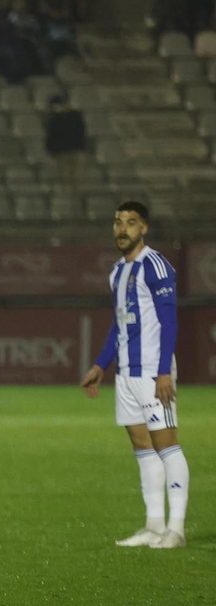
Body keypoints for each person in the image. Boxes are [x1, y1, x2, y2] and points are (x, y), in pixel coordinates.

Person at [81, 201, 189, 549]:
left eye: (130, 222)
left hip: (153, 372)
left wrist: (163, 372)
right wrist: (101, 365)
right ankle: (154, 526)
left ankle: (176, 529)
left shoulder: (156, 266)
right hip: (126, 374)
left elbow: (169, 321)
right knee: (142, 447)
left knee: (167, 446)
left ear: (144, 228)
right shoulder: (117, 271)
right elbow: (119, 324)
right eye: (117, 222)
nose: (122, 229)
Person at [44, 94, 88, 190]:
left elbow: (82, 132)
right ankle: (69, 195)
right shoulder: (54, 119)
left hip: (75, 151)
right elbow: (51, 136)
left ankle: (76, 195)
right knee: (65, 179)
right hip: (63, 153)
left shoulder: (75, 116)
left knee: (77, 178)